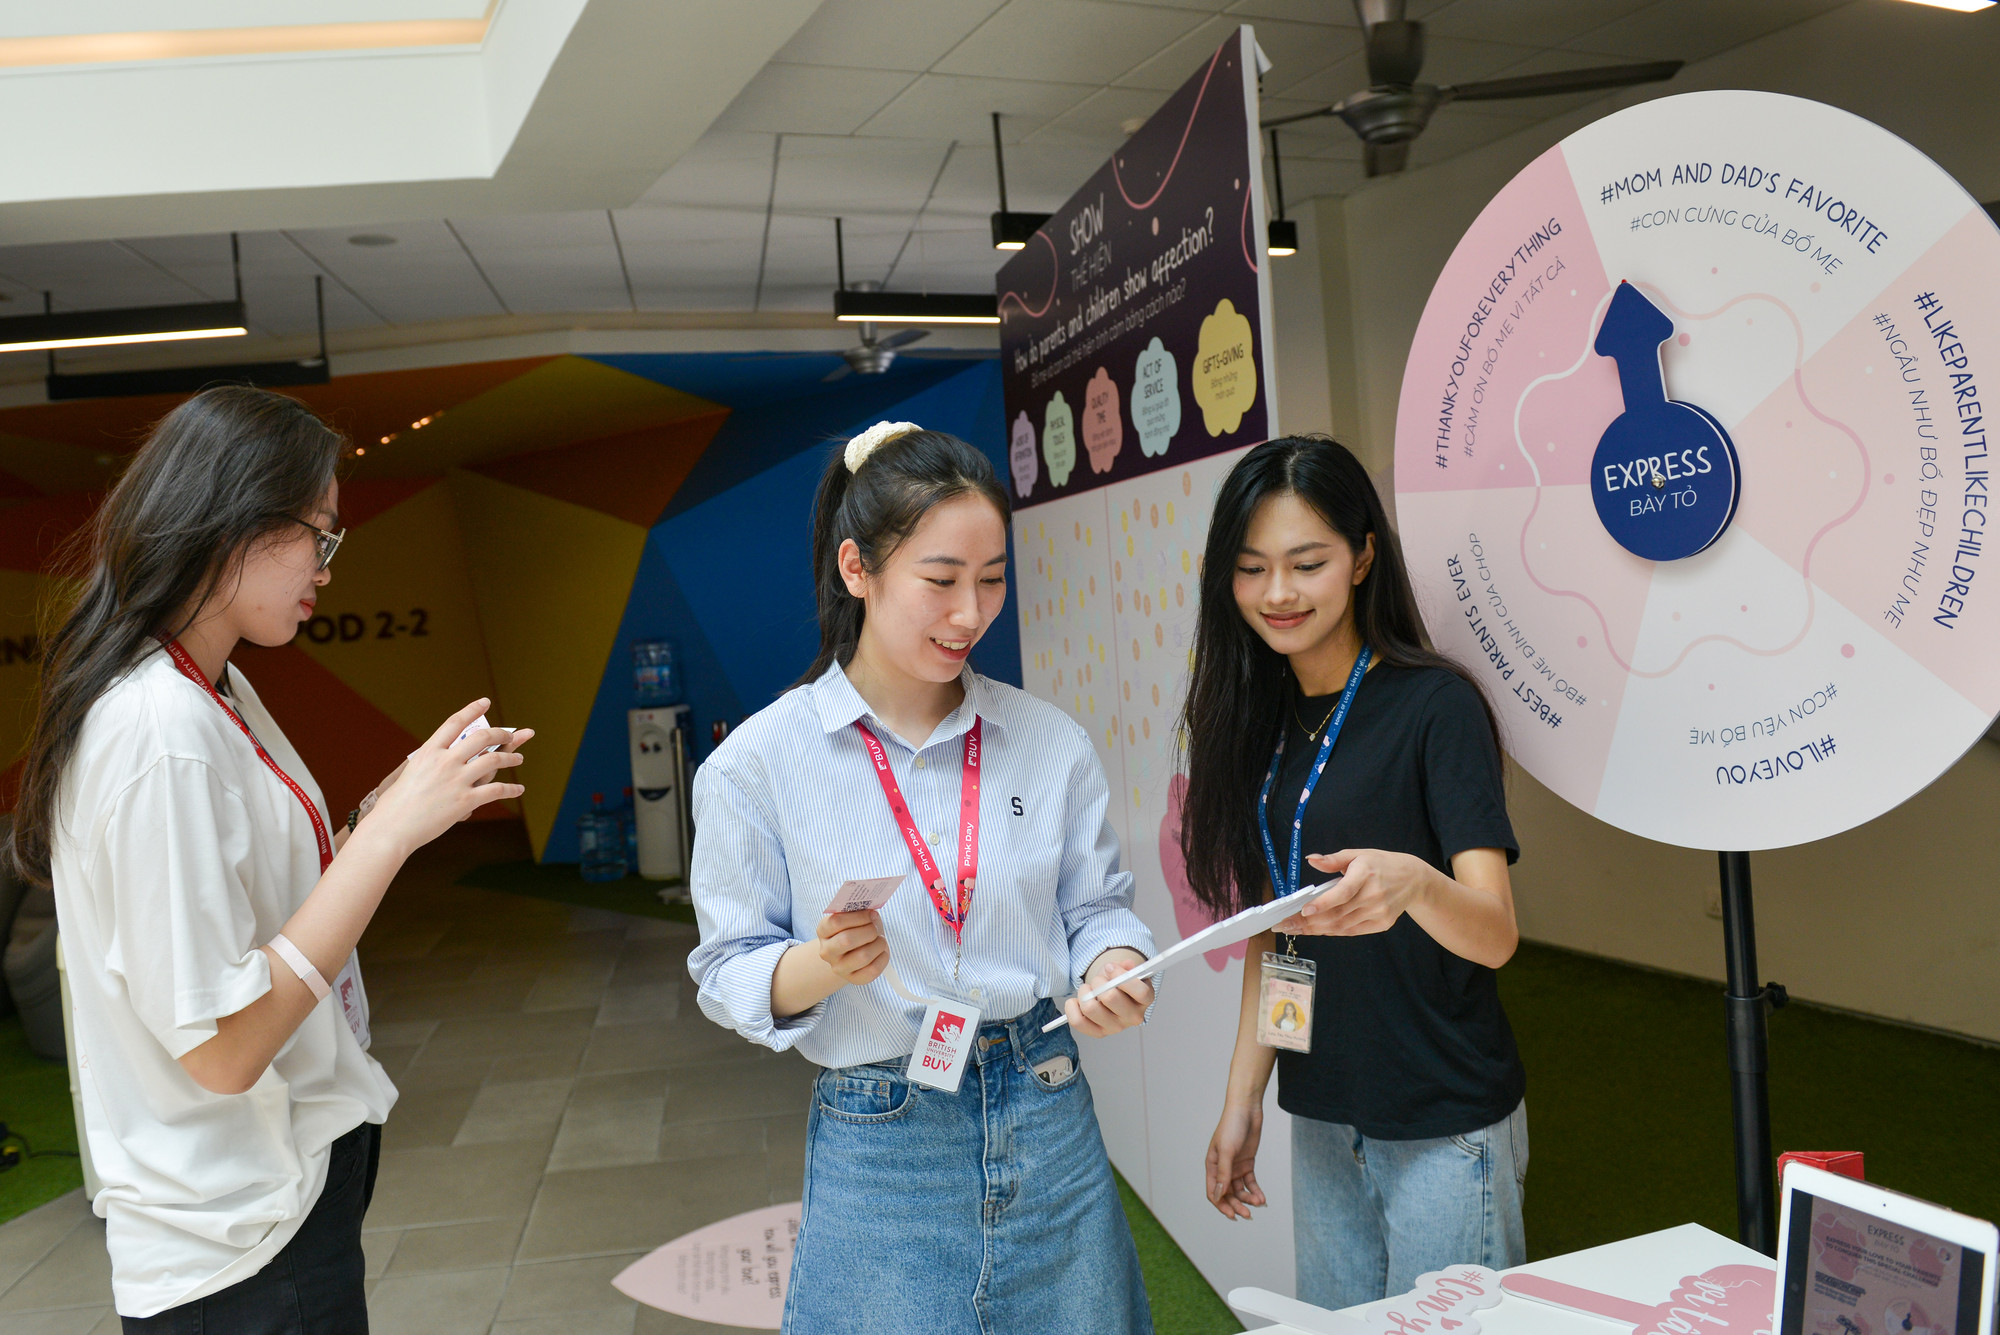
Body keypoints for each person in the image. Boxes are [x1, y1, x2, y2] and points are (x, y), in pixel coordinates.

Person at [7, 386, 533, 1330]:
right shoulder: (158, 725)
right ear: (238, 520)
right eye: (318, 536)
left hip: (275, 1198)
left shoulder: (211, 684)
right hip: (235, 1238)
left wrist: (392, 807)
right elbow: (224, 1046)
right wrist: (384, 836)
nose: (327, 568)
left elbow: (260, 902)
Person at [687, 421, 1158, 1335]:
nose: (971, 613)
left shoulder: (1047, 741)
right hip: (883, 1135)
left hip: (1047, 1100)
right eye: (940, 581)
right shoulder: (758, 765)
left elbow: (1098, 909)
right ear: (856, 568)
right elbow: (728, 968)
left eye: (991, 580)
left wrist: (1112, 965)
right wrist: (823, 964)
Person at [1180, 435, 1527, 1310]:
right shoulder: (1259, 723)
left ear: (1364, 556)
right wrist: (1243, 1095)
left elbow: (1495, 934)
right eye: (1252, 568)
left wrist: (1413, 883)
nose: (1278, 593)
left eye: (1307, 562)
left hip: (1444, 1119)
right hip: (1324, 1112)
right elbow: (1275, 927)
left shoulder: (1435, 707)